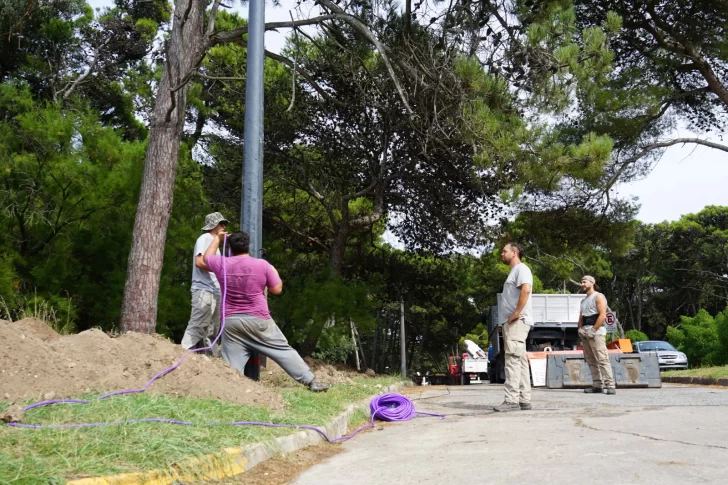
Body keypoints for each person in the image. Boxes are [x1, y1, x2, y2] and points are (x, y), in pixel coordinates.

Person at [202, 230, 330, 392]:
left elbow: (207, 257)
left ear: (231, 248)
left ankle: (232, 392)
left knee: (232, 366)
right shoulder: (262, 265)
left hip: (231, 322)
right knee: (282, 350)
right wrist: (272, 269)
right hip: (258, 319)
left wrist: (217, 239)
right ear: (248, 246)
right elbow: (277, 289)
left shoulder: (222, 264)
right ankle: (311, 382)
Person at [181, 212, 228, 354]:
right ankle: (184, 352)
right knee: (198, 324)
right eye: (222, 224)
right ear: (214, 225)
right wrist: (219, 269)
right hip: (203, 289)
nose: (224, 227)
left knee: (213, 328)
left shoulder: (216, 244)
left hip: (215, 290)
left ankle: (211, 360)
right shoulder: (205, 238)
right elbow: (199, 262)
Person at [494, 242, 533, 412]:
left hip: (517, 322)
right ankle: (524, 399)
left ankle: (511, 401)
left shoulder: (521, 269)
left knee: (512, 361)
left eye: (504, 251)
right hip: (512, 323)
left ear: (514, 252)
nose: (501, 254)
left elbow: (526, 289)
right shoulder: (514, 272)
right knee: (520, 360)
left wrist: (516, 313)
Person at [578, 275, 616, 395]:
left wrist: (593, 330)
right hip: (585, 332)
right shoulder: (583, 301)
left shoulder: (598, 296)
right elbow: (581, 317)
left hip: (596, 333)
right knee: (590, 359)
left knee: (602, 358)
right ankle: (597, 384)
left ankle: (610, 384)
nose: (582, 284)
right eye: (581, 282)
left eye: (584, 282)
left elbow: (602, 315)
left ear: (592, 283)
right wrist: (579, 329)